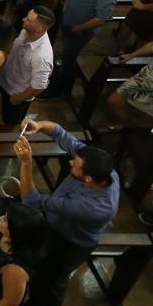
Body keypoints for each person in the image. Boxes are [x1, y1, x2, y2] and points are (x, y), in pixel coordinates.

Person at [16, 119, 120, 306]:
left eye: (74, 166)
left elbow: (33, 201)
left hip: (68, 241)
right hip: (55, 219)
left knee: (50, 282)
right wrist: (40, 126)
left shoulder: (94, 207)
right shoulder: (100, 167)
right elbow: (60, 133)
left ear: (88, 178)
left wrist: (26, 163)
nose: (71, 162)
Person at [40, 0, 119, 100]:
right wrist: (67, 4)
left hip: (80, 30)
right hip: (68, 18)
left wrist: (79, 28)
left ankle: (57, 90)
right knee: (65, 51)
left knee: (69, 59)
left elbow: (102, 18)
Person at [0, 7, 54, 124]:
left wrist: (18, 99)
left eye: (28, 19)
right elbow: (14, 46)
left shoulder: (41, 56)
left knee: (10, 122)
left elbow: (39, 86)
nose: (23, 19)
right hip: (4, 77)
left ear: (38, 28)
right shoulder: (27, 31)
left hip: (16, 92)